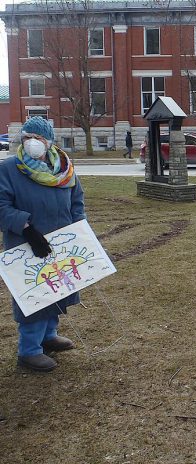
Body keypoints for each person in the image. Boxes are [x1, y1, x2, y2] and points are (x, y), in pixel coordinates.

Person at [0, 117, 85, 372]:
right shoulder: (10, 168)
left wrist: (80, 230)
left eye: (37, 138)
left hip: (60, 242)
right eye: (27, 137)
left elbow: (76, 201)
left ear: (48, 142)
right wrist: (26, 228)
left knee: (56, 289)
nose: (31, 143)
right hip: (28, 244)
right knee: (34, 295)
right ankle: (29, 351)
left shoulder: (64, 169)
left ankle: (49, 335)